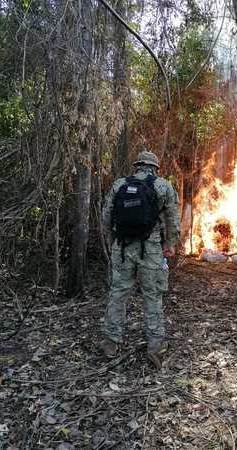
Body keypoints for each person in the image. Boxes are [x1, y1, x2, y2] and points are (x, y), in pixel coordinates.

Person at [101, 150, 179, 369]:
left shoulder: (119, 185)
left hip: (123, 248)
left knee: (118, 293)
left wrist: (112, 241)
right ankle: (155, 346)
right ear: (155, 167)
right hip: (151, 249)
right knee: (152, 295)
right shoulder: (163, 186)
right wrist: (170, 244)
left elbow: (106, 215)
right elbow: (173, 218)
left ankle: (111, 342)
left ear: (137, 166)